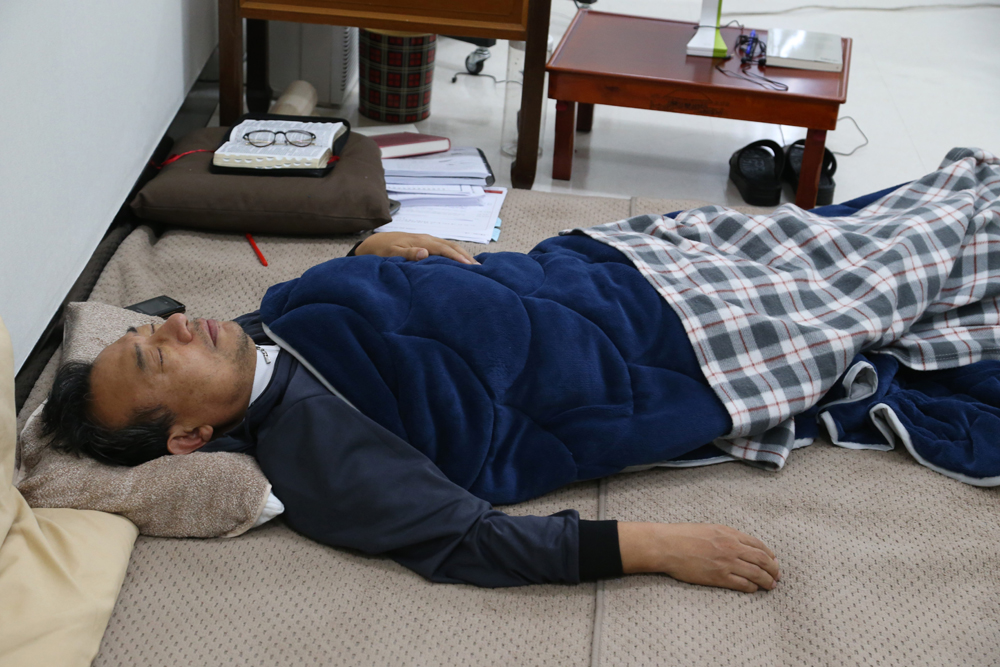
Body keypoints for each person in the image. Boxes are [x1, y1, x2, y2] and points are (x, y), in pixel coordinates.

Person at [41, 231, 780, 592]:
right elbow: (472, 541)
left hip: (594, 267)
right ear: (190, 437)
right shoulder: (317, 454)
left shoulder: (249, 333)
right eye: (156, 357)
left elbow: (343, 305)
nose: (175, 324)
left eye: (148, 330)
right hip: (659, 339)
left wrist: (369, 249)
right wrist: (654, 547)